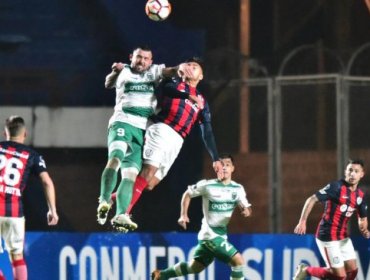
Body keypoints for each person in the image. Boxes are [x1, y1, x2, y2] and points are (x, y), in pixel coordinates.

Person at [111, 57, 224, 232]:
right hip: (162, 129)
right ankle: (122, 213)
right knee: (148, 173)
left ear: (201, 76)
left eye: (196, 67)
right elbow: (167, 91)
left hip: (177, 140)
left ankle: (120, 196)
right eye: (189, 65)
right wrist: (187, 95)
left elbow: (207, 130)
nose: (191, 67)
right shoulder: (174, 83)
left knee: (150, 183)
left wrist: (215, 158)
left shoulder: (202, 101)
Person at [96, 46, 195, 228]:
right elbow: (108, 83)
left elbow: (171, 71)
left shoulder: (153, 72)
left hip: (142, 130)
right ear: (131, 57)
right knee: (116, 158)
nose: (142, 61)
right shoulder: (124, 71)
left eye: (146, 58)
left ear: (151, 61)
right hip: (123, 122)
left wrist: (181, 66)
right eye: (138, 57)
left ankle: (120, 215)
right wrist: (113, 72)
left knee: (130, 175)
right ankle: (103, 200)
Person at [151, 154, 251, 280]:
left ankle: (162, 275)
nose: (224, 168)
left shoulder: (238, 188)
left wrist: (246, 210)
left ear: (233, 168)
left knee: (195, 267)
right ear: (217, 168)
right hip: (210, 236)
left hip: (221, 235)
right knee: (238, 261)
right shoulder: (207, 185)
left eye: (227, 165)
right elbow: (187, 194)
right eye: (222, 165)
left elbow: (246, 207)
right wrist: (183, 215)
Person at [0, 116, 59, 280]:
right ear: (25, 134)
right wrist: (52, 210)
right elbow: (47, 181)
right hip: (15, 212)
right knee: (17, 256)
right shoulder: (32, 155)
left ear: (5, 133)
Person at [293, 159, 370, 280]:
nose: (352, 174)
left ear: (362, 174)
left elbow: (362, 217)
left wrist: (364, 229)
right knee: (340, 276)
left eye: (356, 171)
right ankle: (305, 269)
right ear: (345, 171)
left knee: (353, 272)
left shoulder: (360, 195)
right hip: (327, 236)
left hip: (343, 237)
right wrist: (302, 221)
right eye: (350, 170)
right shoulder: (336, 187)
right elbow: (312, 199)